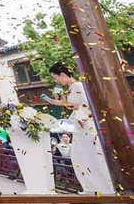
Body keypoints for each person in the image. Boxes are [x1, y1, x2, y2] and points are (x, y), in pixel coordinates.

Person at [46, 62, 114, 194]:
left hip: (85, 124)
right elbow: (75, 105)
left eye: (55, 77)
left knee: (87, 154)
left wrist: (65, 103)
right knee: (81, 155)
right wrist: (63, 102)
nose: (56, 81)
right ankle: (92, 187)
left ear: (62, 74)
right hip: (80, 124)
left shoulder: (77, 85)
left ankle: (101, 187)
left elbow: (86, 104)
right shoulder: (72, 87)